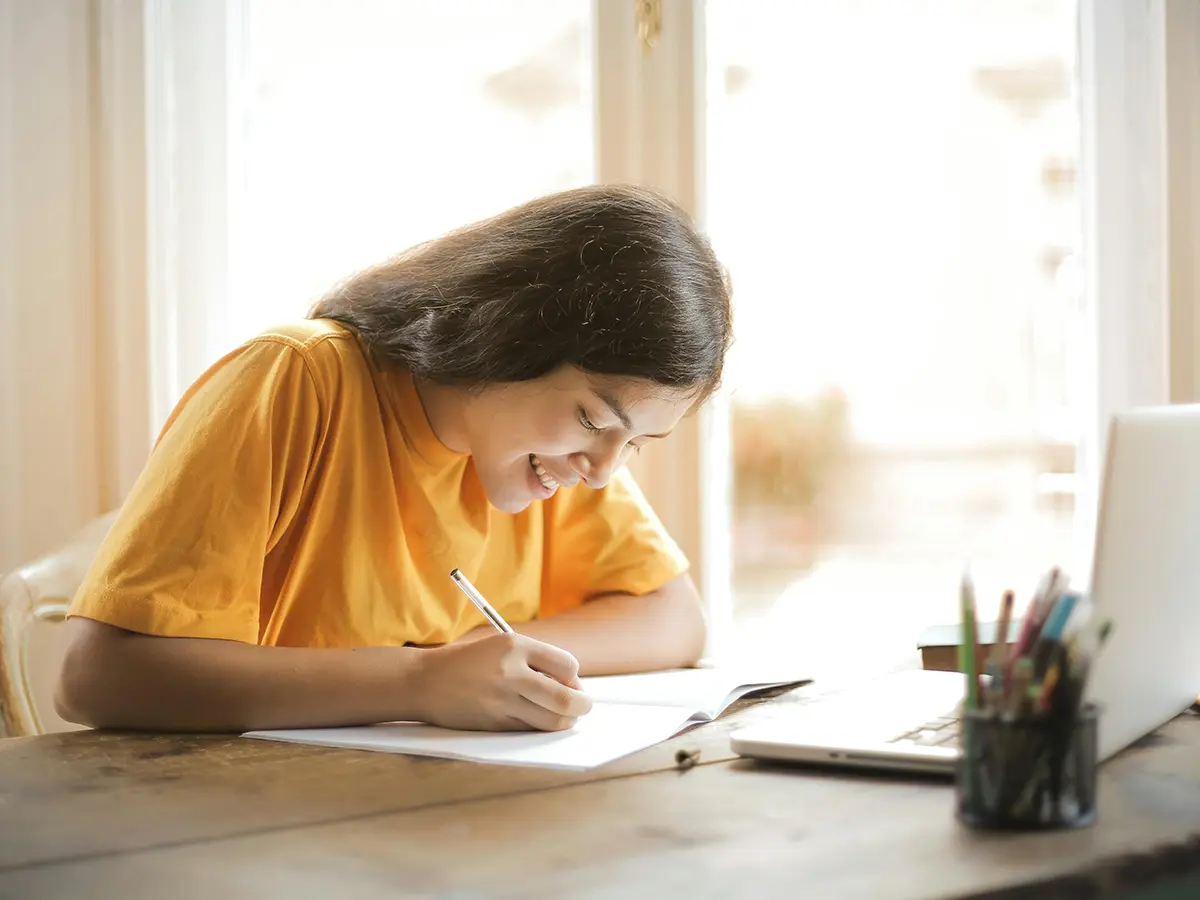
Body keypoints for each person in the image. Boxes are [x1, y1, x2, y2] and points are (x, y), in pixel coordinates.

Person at [55, 184, 732, 735]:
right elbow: (96, 677)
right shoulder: (296, 380)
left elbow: (675, 619)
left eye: (635, 443)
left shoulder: (557, 455)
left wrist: (484, 658)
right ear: (507, 335)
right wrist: (419, 682)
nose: (604, 469)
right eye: (594, 419)